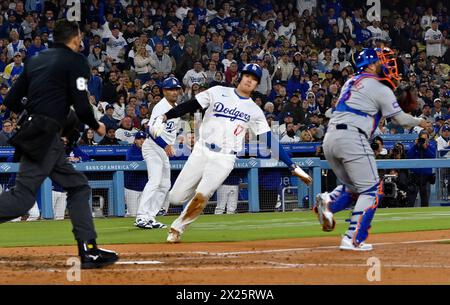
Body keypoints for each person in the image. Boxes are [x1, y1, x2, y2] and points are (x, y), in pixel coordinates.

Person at [0, 20, 118, 268]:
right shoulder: (75, 61)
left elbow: (11, 99)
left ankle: (89, 249)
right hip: (44, 135)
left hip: (38, 132)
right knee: (23, 199)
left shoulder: (36, 60)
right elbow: (83, 105)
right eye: (81, 36)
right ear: (75, 38)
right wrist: (97, 125)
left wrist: (36, 111)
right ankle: (88, 250)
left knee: (78, 186)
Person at [150, 63, 312, 243]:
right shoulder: (218, 91)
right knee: (175, 197)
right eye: (248, 76)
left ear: (257, 85)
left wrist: (291, 164)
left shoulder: (255, 111)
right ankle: (189, 199)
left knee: (203, 194)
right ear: (240, 77)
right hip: (202, 151)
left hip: (225, 157)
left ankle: (177, 228)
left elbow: (269, 139)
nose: (250, 80)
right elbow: (190, 105)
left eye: (255, 79)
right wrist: (165, 116)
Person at [313, 48, 431, 251]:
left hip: (331, 139)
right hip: (352, 137)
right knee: (372, 190)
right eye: (380, 61)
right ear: (369, 65)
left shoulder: (351, 81)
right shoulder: (378, 86)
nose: (385, 65)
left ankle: (329, 202)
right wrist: (421, 121)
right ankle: (353, 238)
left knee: (355, 188)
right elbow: (402, 120)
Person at [134, 77, 182, 229]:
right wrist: (165, 145)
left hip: (163, 149)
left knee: (164, 184)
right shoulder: (160, 107)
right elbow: (150, 129)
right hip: (153, 146)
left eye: (176, 89)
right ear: (164, 91)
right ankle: (141, 216)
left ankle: (150, 216)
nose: (174, 92)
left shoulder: (175, 106)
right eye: (171, 89)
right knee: (154, 181)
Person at [124, 131, 147, 217]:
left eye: (144, 139)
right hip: (131, 188)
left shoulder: (149, 150)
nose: (142, 141)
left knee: (142, 214)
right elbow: (130, 159)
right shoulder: (131, 150)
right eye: (139, 139)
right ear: (135, 140)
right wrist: (145, 158)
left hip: (144, 188)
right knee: (132, 214)